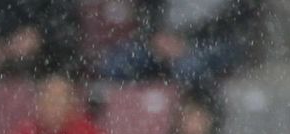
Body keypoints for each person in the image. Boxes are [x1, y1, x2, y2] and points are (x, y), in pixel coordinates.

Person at [100, 0, 262, 90]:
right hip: (161, 43)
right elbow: (147, 10)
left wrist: (187, 43)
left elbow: (235, 24)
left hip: (211, 46)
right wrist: (155, 36)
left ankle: (187, 116)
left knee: (188, 67)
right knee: (117, 62)